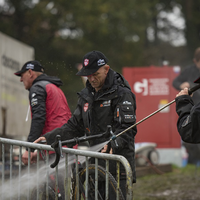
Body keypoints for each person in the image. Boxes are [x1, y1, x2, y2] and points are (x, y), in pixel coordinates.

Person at [35, 50, 137, 198]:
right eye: (88, 75)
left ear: (106, 69)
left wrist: (114, 144)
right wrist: (48, 138)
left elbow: (127, 128)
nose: (92, 79)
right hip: (94, 168)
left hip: (117, 167)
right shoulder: (86, 95)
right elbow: (74, 126)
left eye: (95, 74)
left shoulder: (122, 94)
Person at [14, 60, 72, 165]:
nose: (21, 79)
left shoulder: (37, 87)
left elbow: (38, 118)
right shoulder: (54, 87)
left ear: (30, 73)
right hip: (65, 142)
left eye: (22, 75)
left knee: (55, 181)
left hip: (54, 144)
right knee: (65, 180)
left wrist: (29, 149)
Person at [173, 47, 200, 164]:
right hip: (192, 108)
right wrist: (182, 85)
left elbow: (187, 132)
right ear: (195, 61)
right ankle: (192, 162)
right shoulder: (189, 70)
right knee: (191, 142)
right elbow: (175, 82)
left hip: (195, 110)